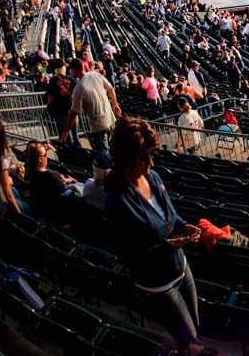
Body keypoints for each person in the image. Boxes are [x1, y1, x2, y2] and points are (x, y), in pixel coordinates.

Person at [104, 117, 210, 355]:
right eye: (144, 158)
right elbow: (129, 256)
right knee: (188, 339)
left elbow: (170, 216)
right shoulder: (117, 201)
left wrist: (185, 226)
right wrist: (166, 247)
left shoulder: (153, 178)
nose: (151, 163)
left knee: (195, 328)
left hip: (181, 266)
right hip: (159, 284)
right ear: (127, 160)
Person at [58, 58, 120, 153]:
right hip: (110, 119)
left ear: (75, 70)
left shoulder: (79, 88)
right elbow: (111, 89)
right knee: (113, 152)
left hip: (98, 126)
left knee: (103, 157)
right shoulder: (96, 74)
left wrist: (65, 133)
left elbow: (74, 113)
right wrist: (115, 105)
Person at [24, 140, 82, 224]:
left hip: (45, 206)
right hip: (59, 208)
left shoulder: (31, 170)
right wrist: (76, 189)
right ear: (40, 159)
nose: (46, 157)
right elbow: (64, 192)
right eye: (45, 155)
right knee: (80, 193)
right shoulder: (49, 176)